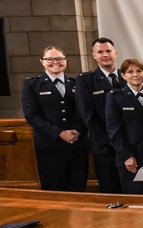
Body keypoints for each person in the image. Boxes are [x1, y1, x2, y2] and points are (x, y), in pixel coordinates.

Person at [22, 46, 88, 191]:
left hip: (77, 145)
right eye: (50, 59)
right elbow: (31, 115)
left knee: (79, 189)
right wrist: (60, 133)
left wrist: (78, 130)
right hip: (50, 147)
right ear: (42, 61)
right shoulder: (32, 84)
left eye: (59, 58)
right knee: (54, 190)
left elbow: (87, 111)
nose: (55, 62)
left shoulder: (77, 83)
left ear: (65, 60)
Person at [75, 37, 124, 193]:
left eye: (108, 51)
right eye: (100, 52)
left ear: (115, 53)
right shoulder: (85, 80)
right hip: (104, 146)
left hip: (130, 144)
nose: (105, 55)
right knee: (110, 189)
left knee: (132, 189)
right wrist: (110, 139)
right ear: (94, 55)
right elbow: (87, 114)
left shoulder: (129, 75)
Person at [105, 58, 143, 194]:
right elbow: (114, 131)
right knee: (137, 198)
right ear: (123, 75)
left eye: (139, 71)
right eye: (130, 72)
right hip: (132, 157)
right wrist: (126, 155)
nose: (135, 75)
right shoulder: (115, 97)